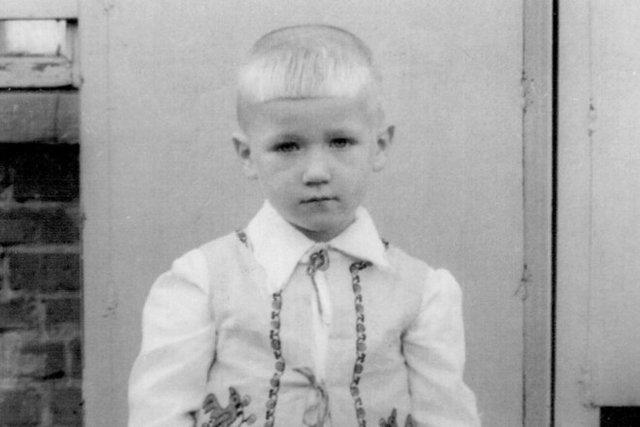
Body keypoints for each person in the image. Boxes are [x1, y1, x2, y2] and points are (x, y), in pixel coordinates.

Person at [128, 24, 480, 427]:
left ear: (380, 145)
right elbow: (159, 414)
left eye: (341, 142)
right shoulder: (202, 283)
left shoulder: (421, 292)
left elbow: (447, 417)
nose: (316, 172)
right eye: (287, 146)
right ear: (247, 154)